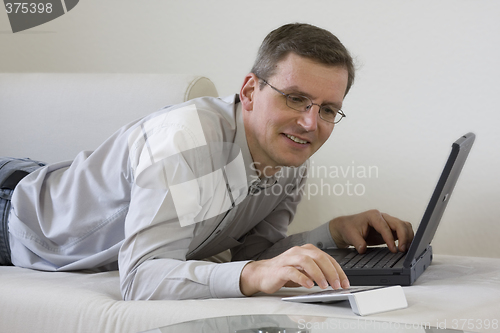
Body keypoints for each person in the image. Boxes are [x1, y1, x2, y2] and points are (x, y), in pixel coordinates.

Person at [0, 23, 414, 300]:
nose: (310, 123)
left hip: (45, 179)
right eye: (295, 98)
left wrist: (334, 233)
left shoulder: (290, 158)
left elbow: (254, 253)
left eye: (327, 109)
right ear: (250, 91)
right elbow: (141, 278)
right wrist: (250, 278)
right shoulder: (186, 142)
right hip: (16, 215)